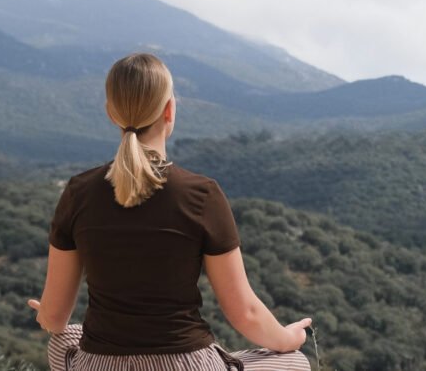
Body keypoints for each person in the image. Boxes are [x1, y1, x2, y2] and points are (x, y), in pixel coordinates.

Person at [28, 53, 312, 370]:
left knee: (64, 338)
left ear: (111, 114)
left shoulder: (78, 192)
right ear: (169, 110)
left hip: (101, 364)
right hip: (184, 364)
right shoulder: (202, 194)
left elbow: (54, 318)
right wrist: (288, 339)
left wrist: (46, 313)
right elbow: (244, 312)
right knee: (294, 362)